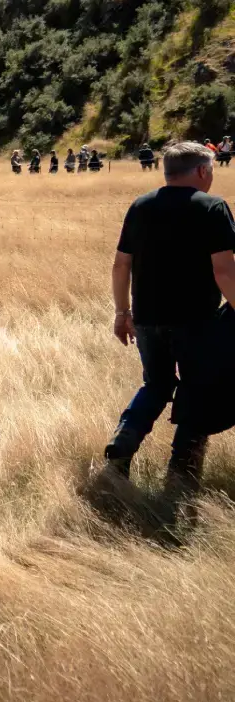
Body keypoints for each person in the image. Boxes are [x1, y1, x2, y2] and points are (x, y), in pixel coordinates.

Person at [98, 143, 235, 499]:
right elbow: (224, 272)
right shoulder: (212, 207)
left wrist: (121, 312)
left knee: (156, 385)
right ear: (202, 171)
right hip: (196, 322)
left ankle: (123, 443)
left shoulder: (141, 206)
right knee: (197, 391)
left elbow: (120, 265)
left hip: (147, 320)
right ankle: (181, 478)